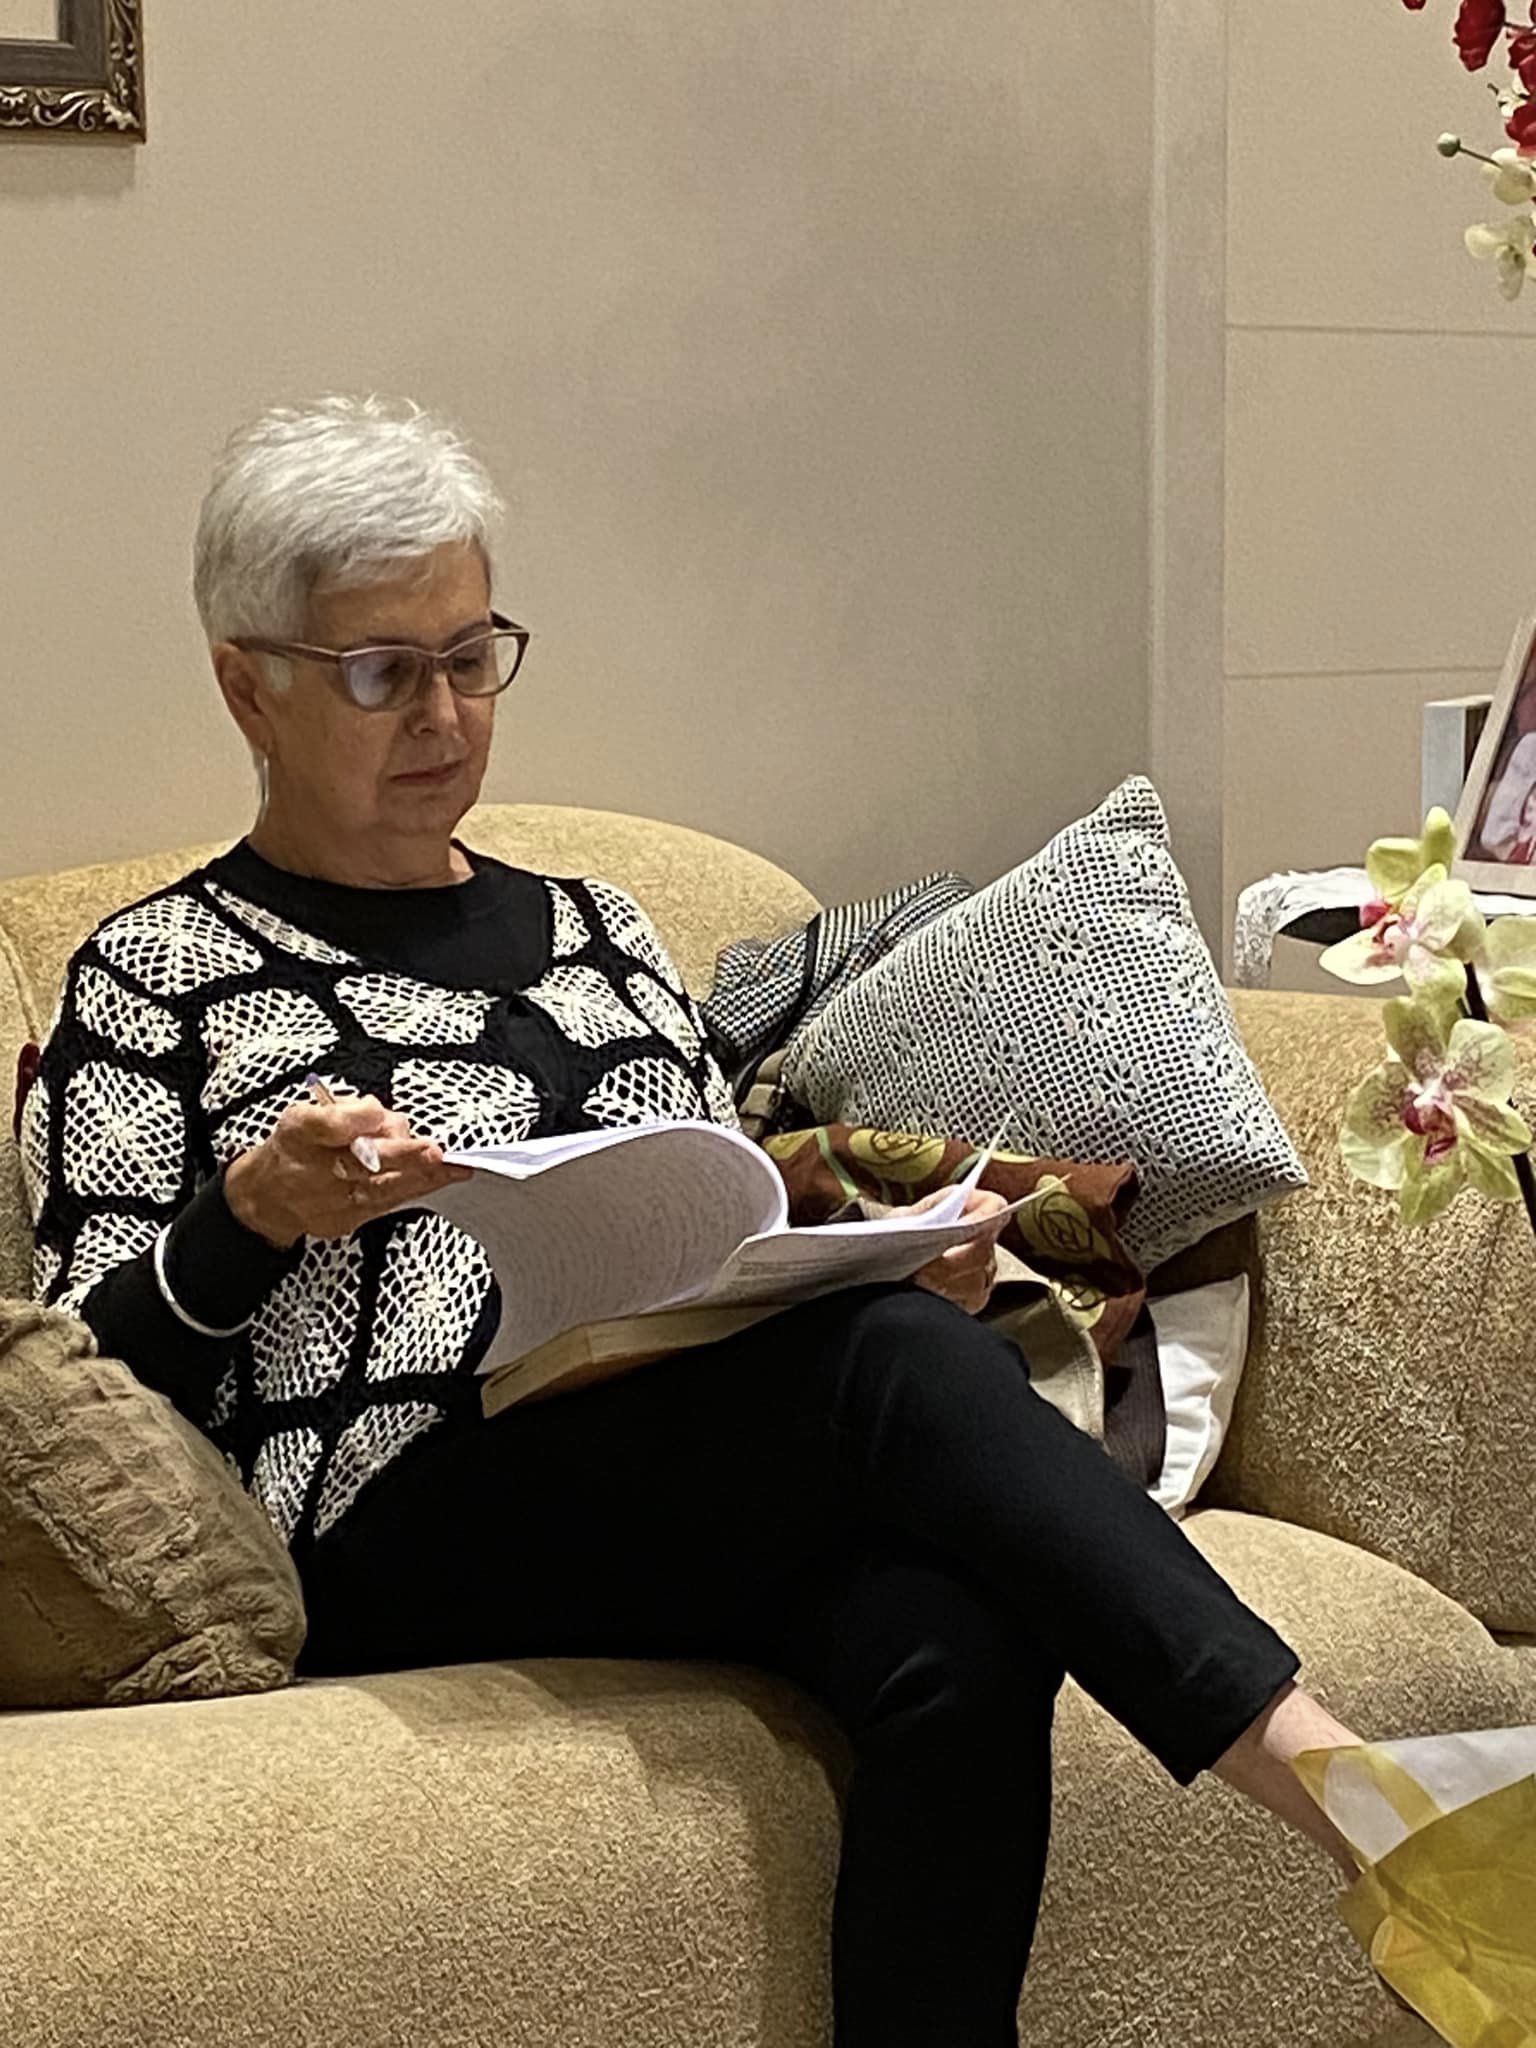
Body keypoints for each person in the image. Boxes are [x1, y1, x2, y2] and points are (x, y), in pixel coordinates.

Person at [22, 396, 1365, 2048]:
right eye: (380, 672)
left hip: (662, 1459)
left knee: (956, 1627)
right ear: (250, 685)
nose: (442, 714)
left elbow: (713, 1218)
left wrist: (895, 1256)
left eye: (472, 656)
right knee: (886, 1368)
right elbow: (86, 1379)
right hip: (384, 1517)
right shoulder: (157, 972)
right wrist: (251, 1215)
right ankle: (1356, 1804)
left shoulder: (602, 928)